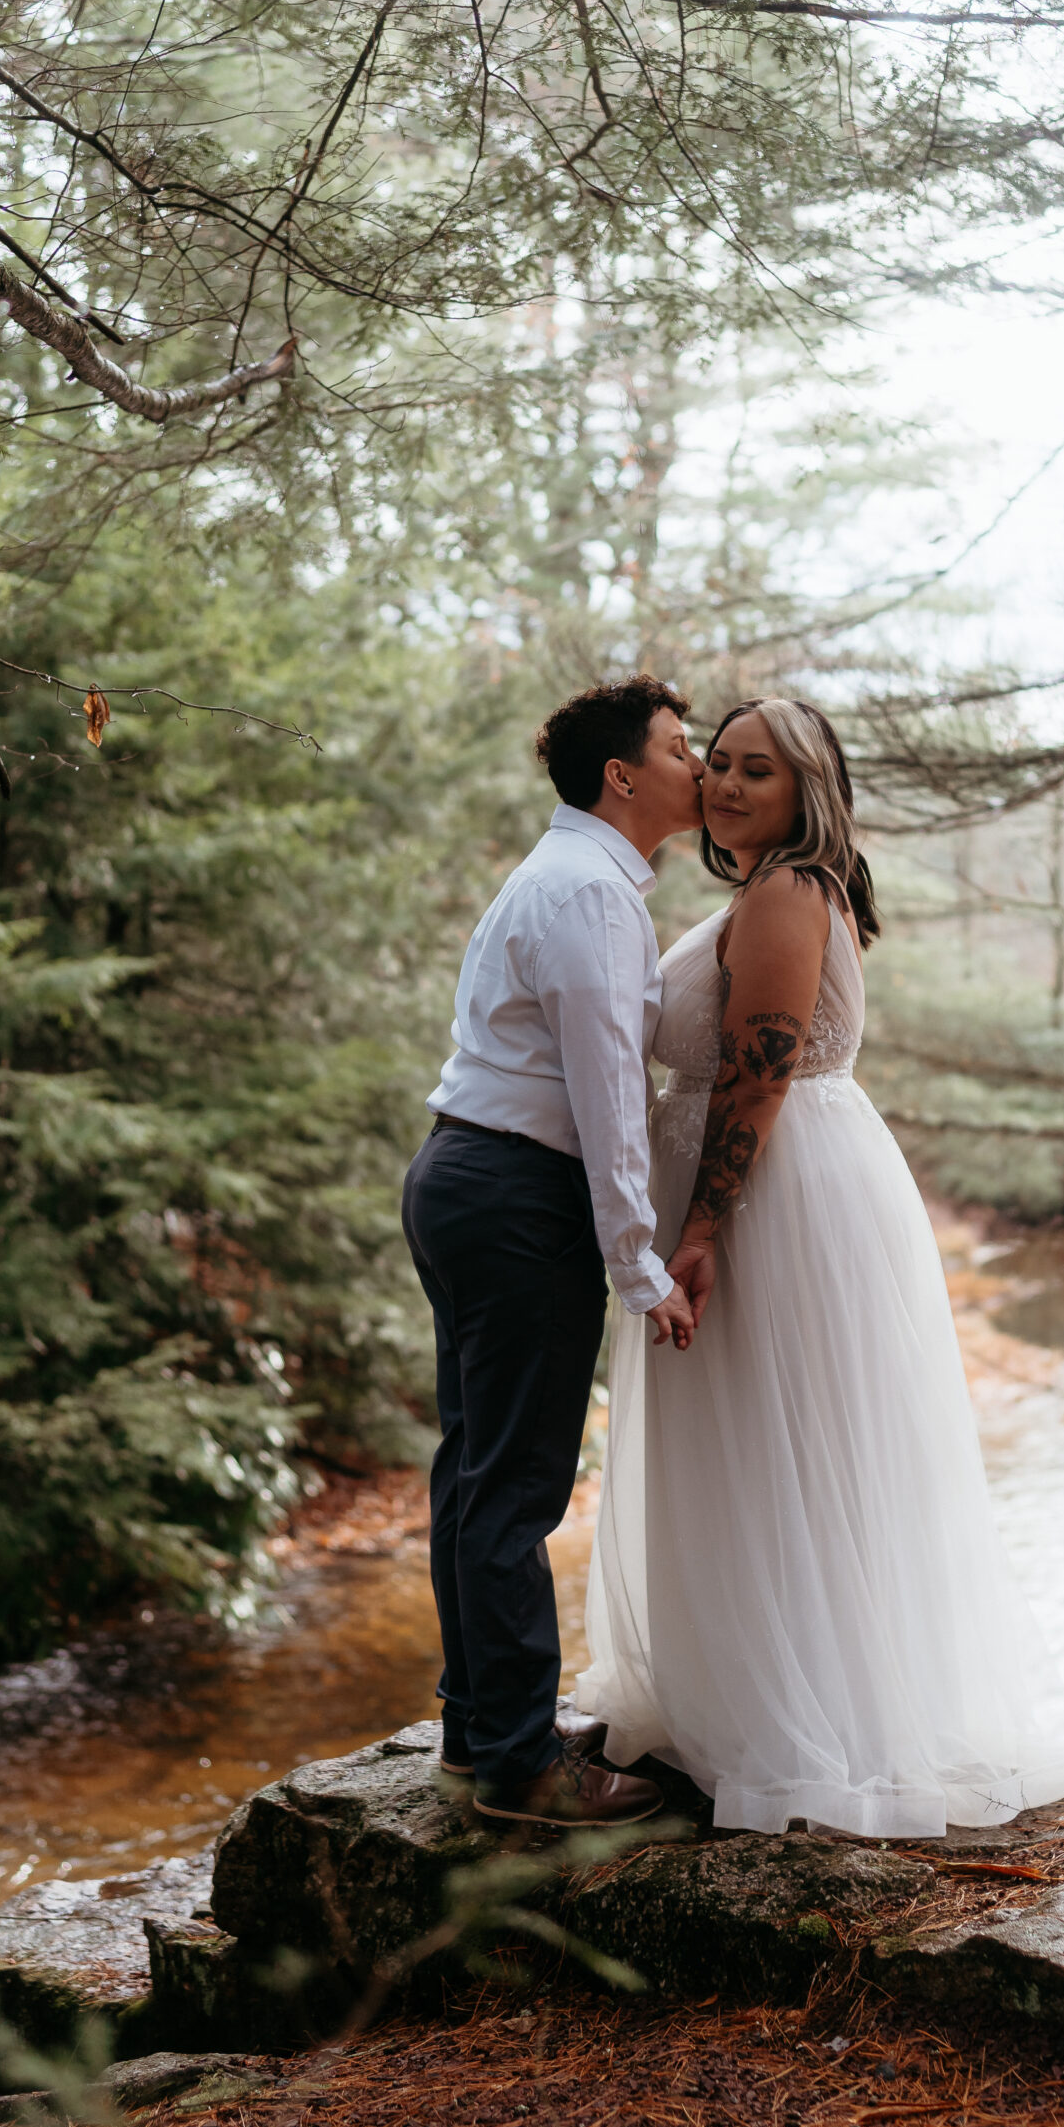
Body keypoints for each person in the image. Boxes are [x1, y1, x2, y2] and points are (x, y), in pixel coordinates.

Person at [580, 696, 1064, 1837]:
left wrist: (705, 1228)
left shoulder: (786, 892)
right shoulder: (764, 889)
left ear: (807, 789)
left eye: (755, 770)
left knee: (781, 1444)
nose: (724, 784)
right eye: (715, 763)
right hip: (767, 1183)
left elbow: (758, 1070)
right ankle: (750, 1692)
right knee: (753, 1451)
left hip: (775, 1197)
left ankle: (815, 1722)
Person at [403, 676, 704, 1827]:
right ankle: (523, 1770)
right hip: (518, 1192)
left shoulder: (576, 877)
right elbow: (606, 1099)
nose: (699, 767)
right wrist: (642, 1266)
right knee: (514, 1486)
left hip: (475, 1178)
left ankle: (482, 1730)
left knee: (478, 1469)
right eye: (682, 748)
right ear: (624, 776)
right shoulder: (587, 894)